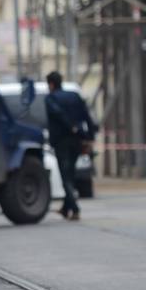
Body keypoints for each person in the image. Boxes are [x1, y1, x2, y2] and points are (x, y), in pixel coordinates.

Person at [45, 71, 97, 221]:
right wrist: (89, 136)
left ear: (51, 84)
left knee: (65, 176)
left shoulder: (51, 99)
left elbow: (59, 115)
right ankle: (66, 208)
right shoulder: (74, 96)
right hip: (77, 141)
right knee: (71, 174)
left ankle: (74, 208)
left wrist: (72, 127)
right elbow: (87, 115)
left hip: (62, 142)